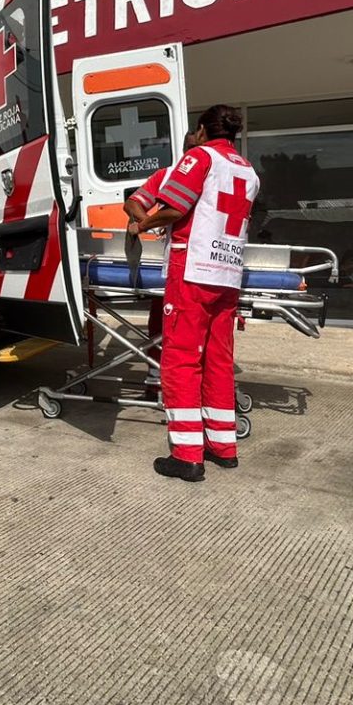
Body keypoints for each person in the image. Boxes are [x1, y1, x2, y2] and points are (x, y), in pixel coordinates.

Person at [130, 105, 260, 483]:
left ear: (202, 131)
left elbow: (173, 209)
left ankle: (187, 456)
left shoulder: (199, 157)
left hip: (194, 271)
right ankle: (223, 447)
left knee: (181, 359)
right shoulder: (247, 170)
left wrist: (142, 225)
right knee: (218, 359)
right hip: (227, 273)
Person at [123, 133, 204, 353]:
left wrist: (143, 226)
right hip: (175, 263)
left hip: (202, 262)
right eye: (190, 148)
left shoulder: (216, 176)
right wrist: (149, 222)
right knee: (163, 320)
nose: (194, 153)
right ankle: (155, 371)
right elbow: (132, 203)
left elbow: (176, 211)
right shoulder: (168, 175)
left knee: (196, 331)